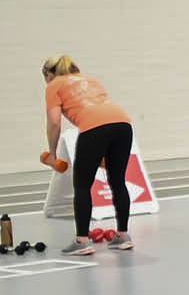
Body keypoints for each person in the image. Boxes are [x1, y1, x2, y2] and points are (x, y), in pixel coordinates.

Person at [40, 54, 136, 254]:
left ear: (49, 74)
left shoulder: (53, 85)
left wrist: (52, 152)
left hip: (94, 128)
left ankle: (82, 241)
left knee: (82, 185)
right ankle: (122, 236)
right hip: (123, 125)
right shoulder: (91, 79)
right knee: (117, 181)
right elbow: (104, 113)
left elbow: (55, 122)